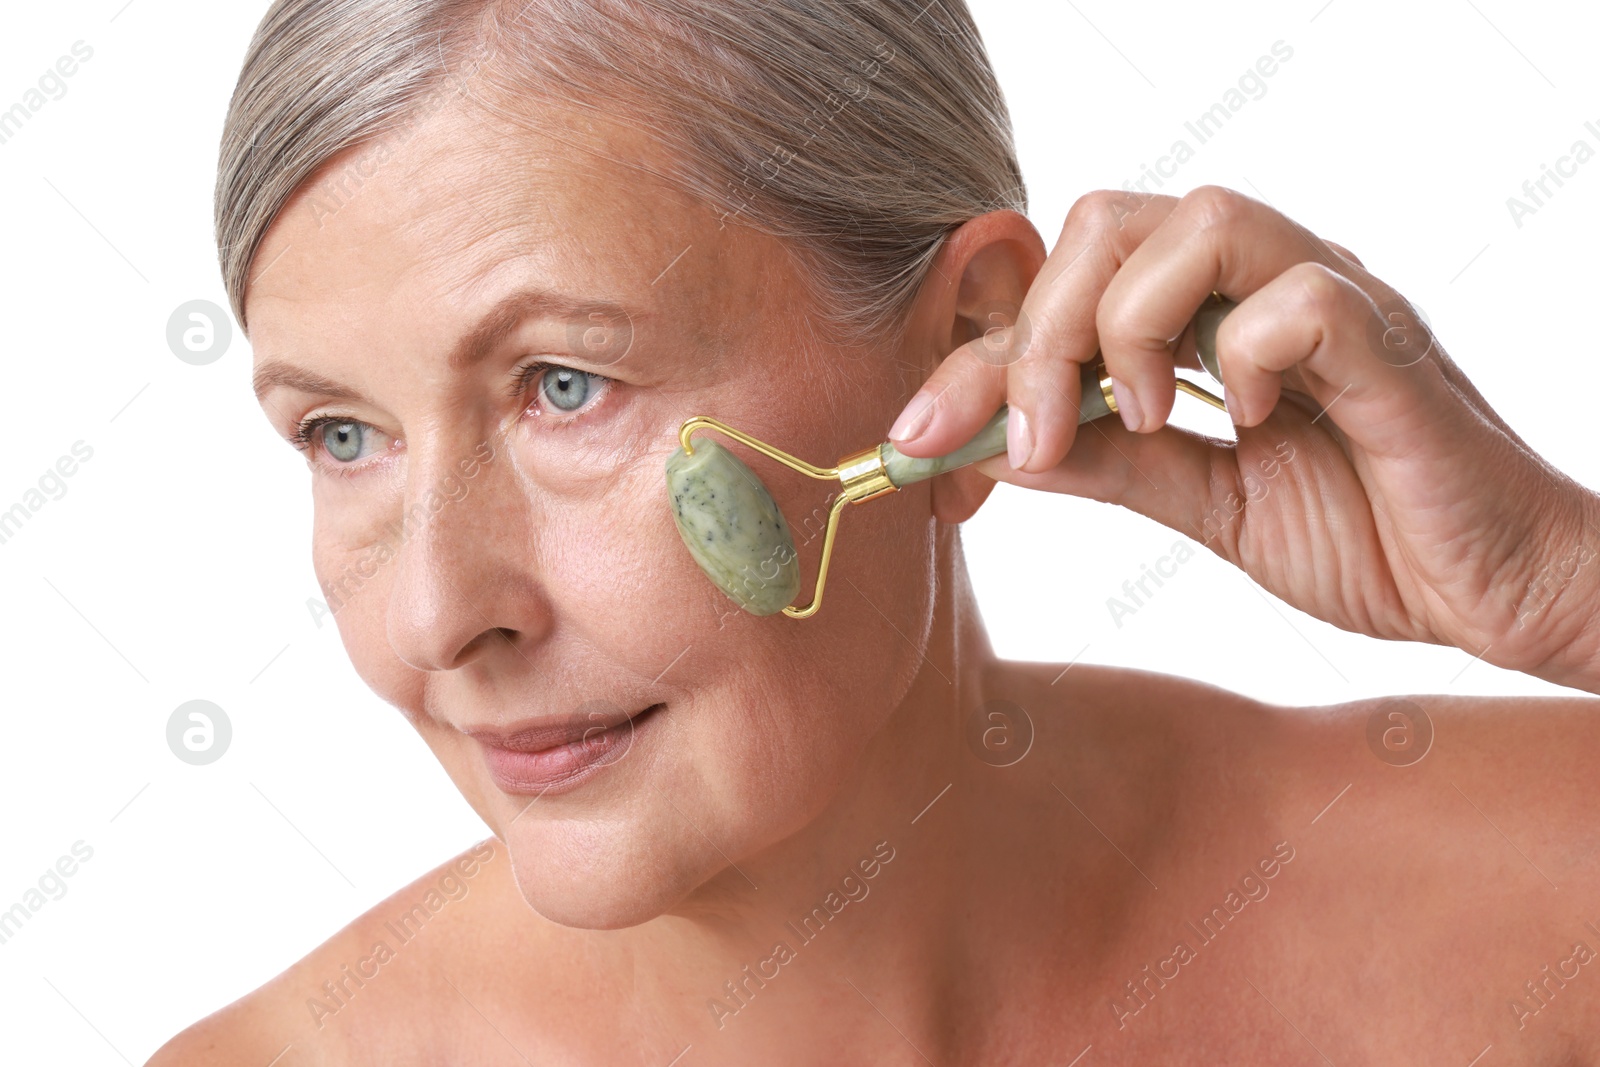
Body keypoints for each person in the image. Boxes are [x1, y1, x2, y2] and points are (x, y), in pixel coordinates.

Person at [151, 0, 1600, 1062]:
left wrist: (1564, 589)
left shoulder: (1543, 904)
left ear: (961, 342)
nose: (432, 617)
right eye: (343, 435)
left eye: (565, 387)